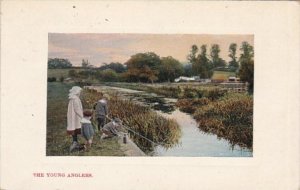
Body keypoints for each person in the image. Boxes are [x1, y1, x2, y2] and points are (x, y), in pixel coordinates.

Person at [67, 86, 83, 152]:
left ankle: (75, 142)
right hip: (75, 117)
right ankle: (74, 144)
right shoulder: (75, 99)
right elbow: (77, 109)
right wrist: (82, 116)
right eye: (79, 91)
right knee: (75, 128)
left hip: (72, 116)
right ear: (77, 92)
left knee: (74, 128)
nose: (80, 93)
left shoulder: (72, 98)